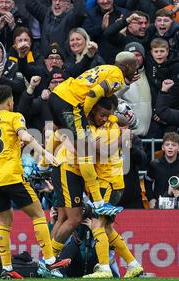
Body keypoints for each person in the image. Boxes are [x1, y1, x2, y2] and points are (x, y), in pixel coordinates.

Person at [0, 84, 70, 279]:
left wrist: (15, 144)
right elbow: (25, 135)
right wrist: (44, 152)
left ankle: (7, 268)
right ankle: (50, 261)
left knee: (4, 222)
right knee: (38, 214)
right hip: (12, 176)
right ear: (10, 101)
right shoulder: (14, 117)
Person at [48, 51, 138, 215]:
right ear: (127, 67)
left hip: (58, 94)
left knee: (59, 130)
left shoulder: (106, 68)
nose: (136, 70)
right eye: (135, 67)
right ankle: (98, 203)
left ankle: (42, 165)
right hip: (70, 102)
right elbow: (93, 94)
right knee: (85, 151)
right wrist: (85, 117)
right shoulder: (116, 77)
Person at [82, 97, 144, 279]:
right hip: (116, 182)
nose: (105, 118)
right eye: (102, 114)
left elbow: (101, 149)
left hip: (106, 183)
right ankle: (133, 264)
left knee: (97, 224)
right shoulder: (111, 124)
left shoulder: (97, 129)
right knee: (107, 227)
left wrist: (122, 136)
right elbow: (126, 124)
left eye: (107, 115)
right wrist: (124, 135)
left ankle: (104, 268)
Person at [144, 132, 179, 208]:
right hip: (159, 203)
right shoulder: (155, 164)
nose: (170, 147)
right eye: (167, 145)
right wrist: (151, 199)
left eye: (173, 145)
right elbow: (147, 181)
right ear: (163, 147)